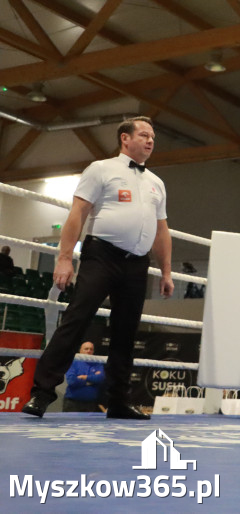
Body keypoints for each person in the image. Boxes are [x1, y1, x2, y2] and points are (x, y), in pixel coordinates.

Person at [22, 116, 174, 420]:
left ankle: (118, 400)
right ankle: (41, 394)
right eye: (144, 135)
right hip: (102, 255)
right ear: (125, 139)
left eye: (153, 137)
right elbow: (78, 212)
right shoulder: (101, 169)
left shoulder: (156, 183)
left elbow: (162, 230)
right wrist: (65, 257)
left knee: (126, 332)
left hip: (137, 264)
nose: (150, 141)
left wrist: (166, 271)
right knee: (77, 319)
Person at [62, 341, 106, 413]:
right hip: (72, 404)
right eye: (86, 349)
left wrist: (84, 377)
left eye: (91, 349)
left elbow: (101, 378)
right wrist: (91, 381)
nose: (89, 351)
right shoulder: (73, 362)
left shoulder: (97, 363)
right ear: (80, 350)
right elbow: (72, 381)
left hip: (91, 404)